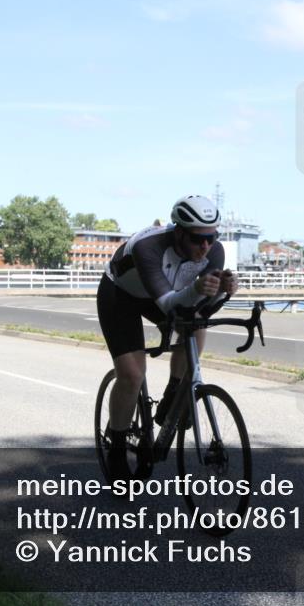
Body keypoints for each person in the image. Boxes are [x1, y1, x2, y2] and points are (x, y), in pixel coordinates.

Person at [96, 195, 238, 479]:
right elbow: (168, 304)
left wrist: (224, 291)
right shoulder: (148, 246)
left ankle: (175, 390)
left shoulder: (214, 252)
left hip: (163, 294)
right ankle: (117, 445)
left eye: (212, 237)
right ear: (179, 232)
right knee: (133, 374)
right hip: (120, 296)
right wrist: (198, 287)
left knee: (196, 323)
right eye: (198, 240)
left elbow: (202, 308)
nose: (206, 246)